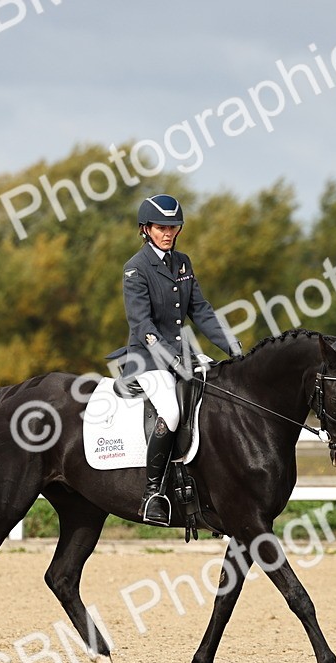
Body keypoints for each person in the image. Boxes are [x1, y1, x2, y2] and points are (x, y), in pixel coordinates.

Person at [108, 194, 241, 525]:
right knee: (170, 410)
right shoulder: (135, 269)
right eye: (161, 227)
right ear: (146, 229)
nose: (168, 233)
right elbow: (143, 326)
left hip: (183, 352)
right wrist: (175, 359)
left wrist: (233, 347)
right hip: (147, 357)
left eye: (173, 227)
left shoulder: (182, 262)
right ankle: (153, 493)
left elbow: (201, 310)